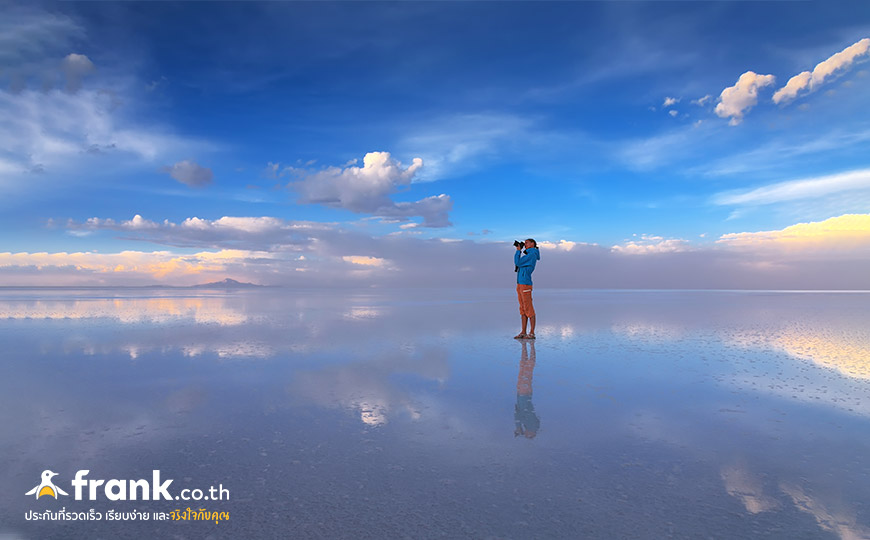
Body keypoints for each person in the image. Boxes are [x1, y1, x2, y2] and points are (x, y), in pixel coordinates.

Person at [513, 238, 540, 339]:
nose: (525, 244)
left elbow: (518, 262)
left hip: (525, 284)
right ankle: (523, 332)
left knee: (529, 308)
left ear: (533, 244)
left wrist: (518, 251)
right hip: (520, 284)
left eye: (527, 242)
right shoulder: (528, 255)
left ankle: (532, 333)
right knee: (523, 309)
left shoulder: (532, 254)